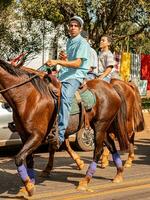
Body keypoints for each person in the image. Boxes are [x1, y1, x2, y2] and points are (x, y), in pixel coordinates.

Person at [46, 16, 90, 149]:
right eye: (71, 25)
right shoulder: (70, 41)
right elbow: (71, 59)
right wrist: (64, 58)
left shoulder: (82, 43)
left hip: (76, 75)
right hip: (65, 74)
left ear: (80, 28)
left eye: (76, 26)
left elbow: (77, 63)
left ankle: (60, 133)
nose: (73, 27)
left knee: (65, 97)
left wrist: (58, 61)